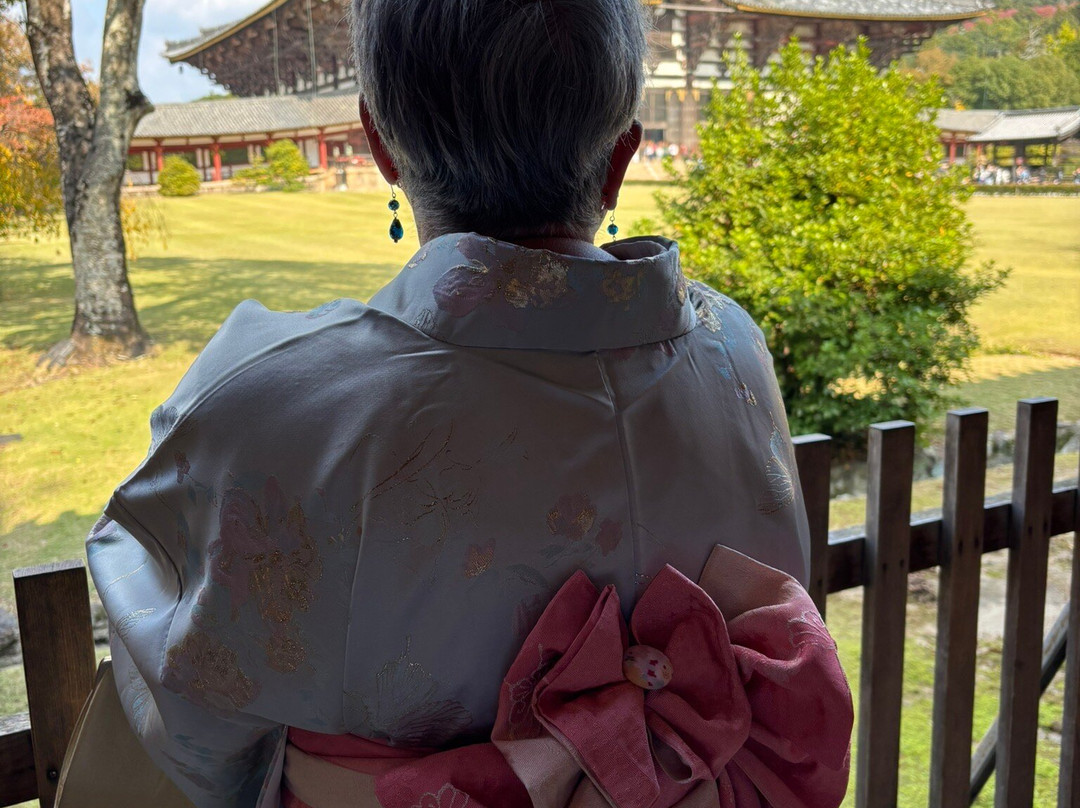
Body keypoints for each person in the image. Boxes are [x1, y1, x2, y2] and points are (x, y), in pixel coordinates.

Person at [87, 1, 851, 806]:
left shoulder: (272, 400)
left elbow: (192, 708)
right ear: (622, 153)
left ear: (378, 142)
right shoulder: (734, 352)